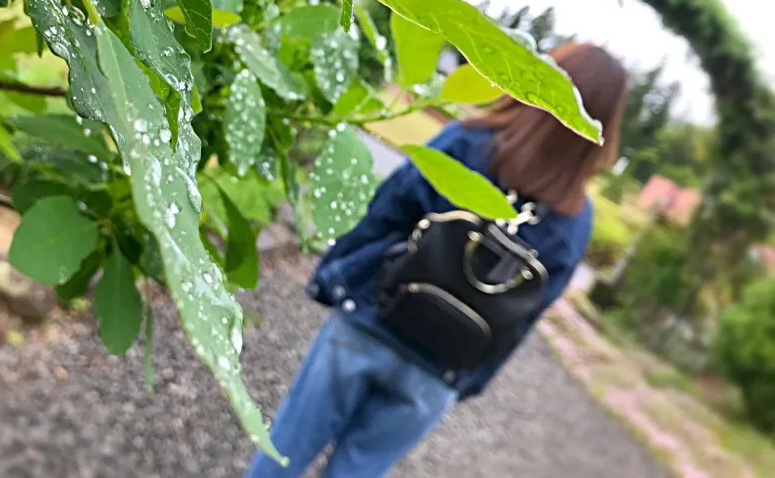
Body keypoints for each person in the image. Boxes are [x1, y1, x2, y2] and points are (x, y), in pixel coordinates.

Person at [245, 42, 629, 477]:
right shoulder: (575, 220)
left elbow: (386, 212)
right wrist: (468, 380)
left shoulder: (472, 143)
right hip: (440, 367)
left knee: (286, 449)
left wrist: (336, 278)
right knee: (357, 469)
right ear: (605, 127)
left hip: (372, 318)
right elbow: (526, 315)